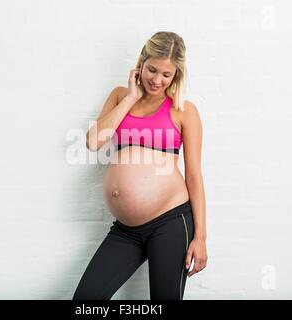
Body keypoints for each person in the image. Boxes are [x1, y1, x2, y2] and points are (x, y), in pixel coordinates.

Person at [74, 31, 207, 300]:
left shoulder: (183, 110)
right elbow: (93, 142)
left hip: (171, 222)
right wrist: (131, 98)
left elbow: (194, 176)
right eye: (152, 69)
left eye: (166, 75)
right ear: (141, 63)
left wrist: (201, 237)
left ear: (176, 75)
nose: (157, 80)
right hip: (126, 230)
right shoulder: (120, 96)